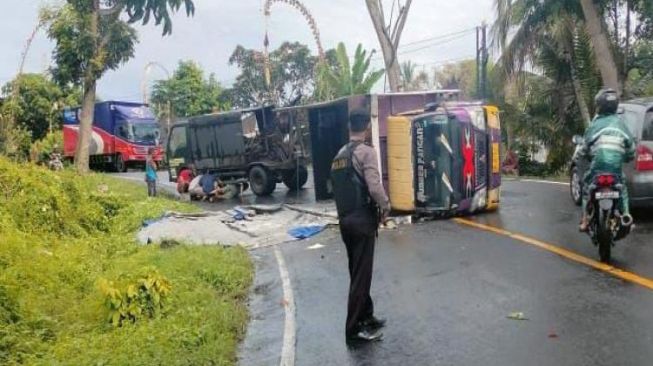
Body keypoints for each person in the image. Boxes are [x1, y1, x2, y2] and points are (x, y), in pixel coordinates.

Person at [330, 108, 391, 344]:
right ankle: (353, 329)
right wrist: (385, 206)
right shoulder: (367, 153)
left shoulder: (339, 155)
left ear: (349, 127)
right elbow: (374, 187)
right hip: (362, 220)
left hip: (345, 220)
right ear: (366, 127)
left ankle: (367, 315)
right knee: (361, 275)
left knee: (357, 271)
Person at [579, 88, 635, 232]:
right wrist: (628, 156)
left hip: (597, 169)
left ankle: (585, 220)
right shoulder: (621, 124)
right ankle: (627, 215)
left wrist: (583, 155)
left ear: (599, 106)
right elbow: (631, 148)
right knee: (622, 188)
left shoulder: (594, 124)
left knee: (586, 185)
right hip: (615, 169)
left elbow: (584, 147)